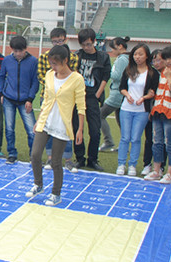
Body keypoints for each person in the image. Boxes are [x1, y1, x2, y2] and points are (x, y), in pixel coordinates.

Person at [27, 45, 85, 207]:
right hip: (46, 120)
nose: (53, 67)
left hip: (62, 124)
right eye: (51, 63)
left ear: (65, 61)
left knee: (56, 162)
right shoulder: (49, 75)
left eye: (56, 63)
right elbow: (46, 98)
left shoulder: (77, 79)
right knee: (35, 154)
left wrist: (80, 129)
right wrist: (39, 119)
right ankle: (38, 184)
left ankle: (56, 193)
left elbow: (81, 106)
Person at [144, 46, 171, 184]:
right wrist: (154, 108)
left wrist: (169, 77)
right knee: (157, 142)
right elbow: (159, 92)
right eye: (165, 59)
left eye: (170, 58)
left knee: (170, 143)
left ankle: (170, 173)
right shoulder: (164, 72)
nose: (167, 61)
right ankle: (157, 170)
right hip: (158, 111)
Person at [115, 44, 159, 176]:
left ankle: (132, 165)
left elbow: (153, 92)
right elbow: (122, 87)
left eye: (140, 54)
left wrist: (144, 98)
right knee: (125, 137)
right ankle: (121, 164)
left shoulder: (152, 73)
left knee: (135, 138)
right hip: (126, 108)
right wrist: (127, 95)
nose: (137, 57)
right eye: (135, 54)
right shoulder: (129, 70)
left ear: (146, 56)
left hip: (142, 110)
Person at [38, 28, 78, 171]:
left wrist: (61, 85)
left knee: (65, 128)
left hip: (65, 99)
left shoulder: (72, 57)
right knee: (48, 129)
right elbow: (42, 76)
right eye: (55, 41)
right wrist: (53, 85)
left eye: (60, 41)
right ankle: (50, 158)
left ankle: (68, 159)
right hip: (48, 97)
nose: (58, 44)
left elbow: (72, 77)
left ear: (65, 39)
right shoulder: (44, 57)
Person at [72, 28, 111, 172]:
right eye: (83, 45)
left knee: (95, 130)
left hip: (93, 96)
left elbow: (106, 76)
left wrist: (98, 93)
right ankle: (80, 158)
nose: (86, 47)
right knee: (77, 128)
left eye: (88, 44)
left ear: (94, 41)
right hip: (78, 96)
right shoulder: (77, 56)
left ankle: (92, 159)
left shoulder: (103, 57)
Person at [0, 35, 38, 164]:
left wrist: (30, 99)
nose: (18, 54)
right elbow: (1, 76)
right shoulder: (7, 60)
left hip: (25, 101)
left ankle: (34, 156)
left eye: (20, 51)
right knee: (9, 128)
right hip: (9, 99)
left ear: (25, 48)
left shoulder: (33, 61)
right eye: (15, 51)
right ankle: (11, 153)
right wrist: (2, 93)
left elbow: (35, 81)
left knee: (32, 130)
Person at [99, 36, 130, 152]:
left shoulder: (122, 59)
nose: (111, 51)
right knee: (121, 121)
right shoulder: (126, 58)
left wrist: (106, 72)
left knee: (99, 115)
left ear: (120, 46)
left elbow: (117, 76)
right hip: (121, 94)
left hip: (117, 94)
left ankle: (108, 141)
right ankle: (124, 145)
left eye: (113, 48)